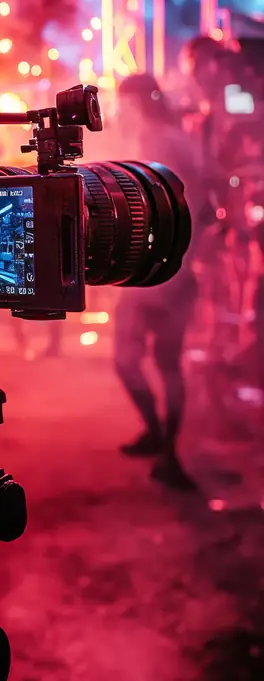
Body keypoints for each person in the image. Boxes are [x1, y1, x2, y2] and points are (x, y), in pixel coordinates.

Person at [113, 73, 205, 491]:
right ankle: (163, 443)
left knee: (134, 359)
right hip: (176, 268)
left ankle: (167, 448)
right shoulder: (176, 136)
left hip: (157, 272)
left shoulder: (158, 140)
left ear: (138, 102)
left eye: (123, 103)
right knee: (163, 362)